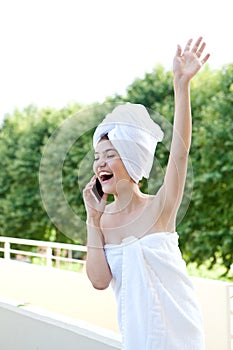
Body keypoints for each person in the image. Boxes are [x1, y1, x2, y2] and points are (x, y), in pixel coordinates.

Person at [83, 37, 210, 350]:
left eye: (110, 154)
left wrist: (182, 85)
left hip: (180, 337)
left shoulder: (160, 209)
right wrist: (91, 218)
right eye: (98, 157)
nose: (101, 163)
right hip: (138, 341)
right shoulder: (102, 223)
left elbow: (179, 153)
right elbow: (99, 282)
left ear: (131, 159)